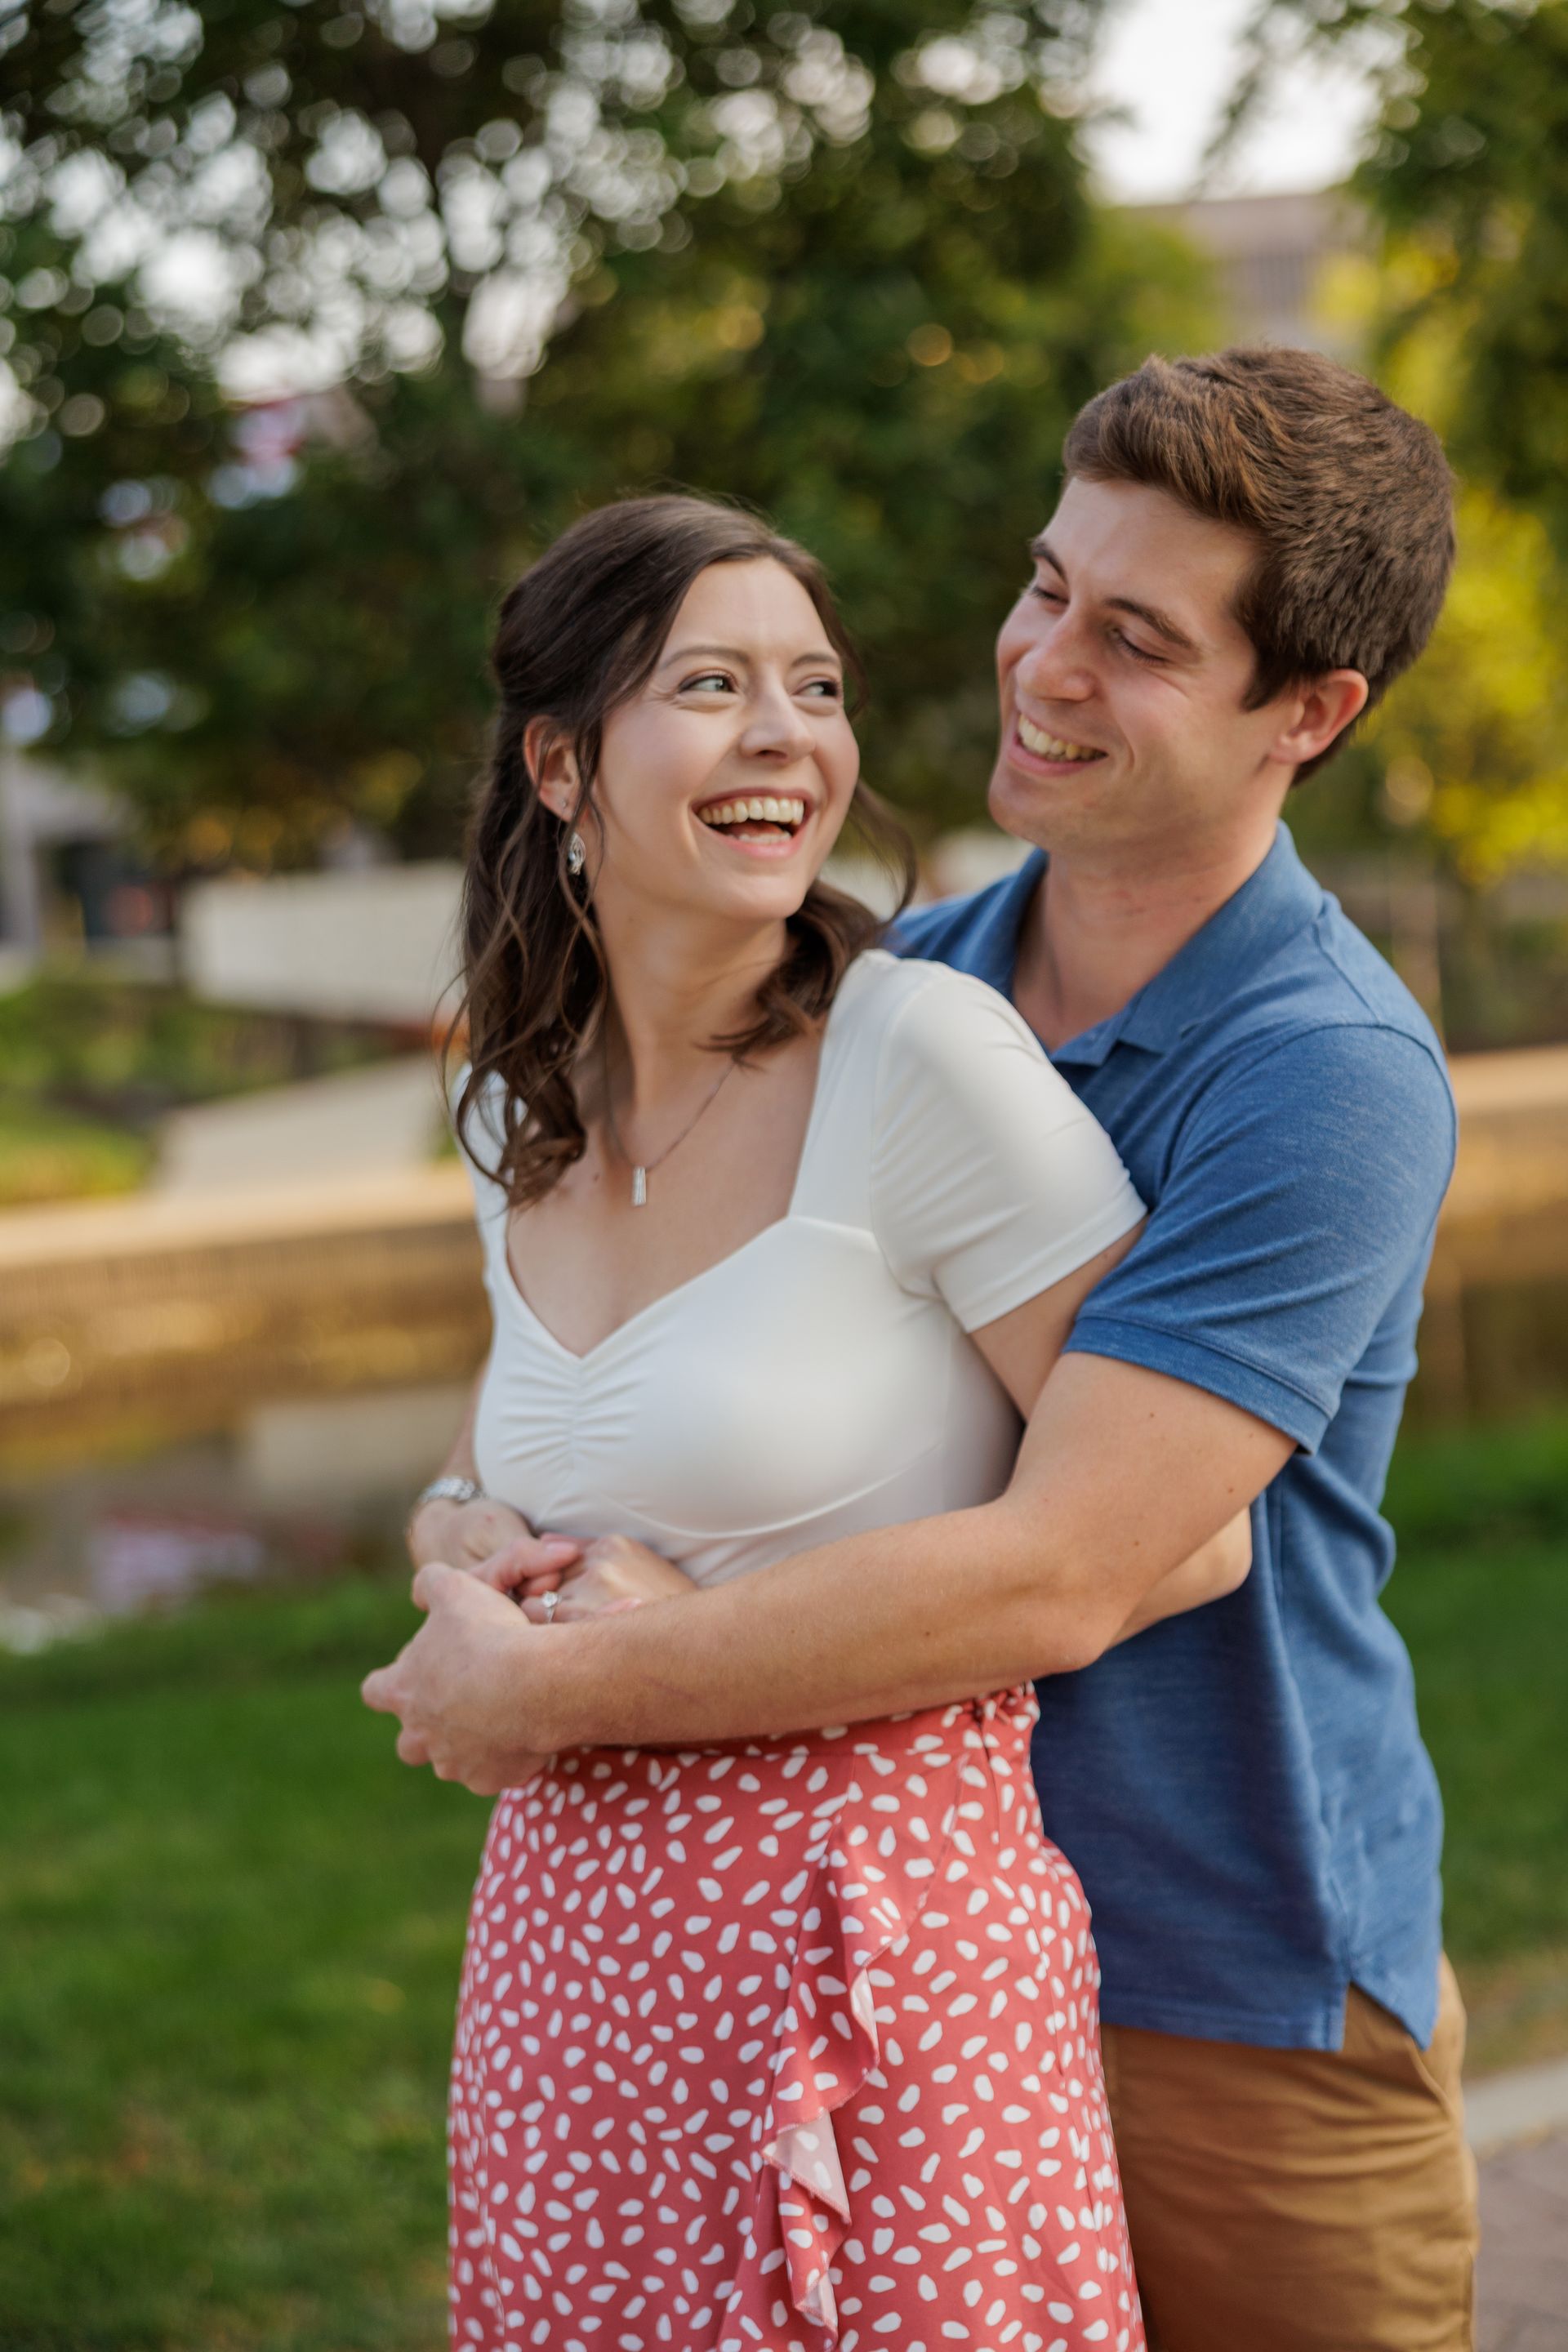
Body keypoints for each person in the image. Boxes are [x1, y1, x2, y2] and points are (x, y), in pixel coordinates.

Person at [368, 346, 1476, 2352]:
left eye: (1135, 637)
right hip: (858, 1955)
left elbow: (1087, 1558)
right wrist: (470, 1535)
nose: (1042, 664)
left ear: (1308, 714)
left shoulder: (1325, 1075)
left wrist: (574, 1688)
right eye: (1049, 587)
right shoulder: (900, 980)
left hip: (1231, 1980)